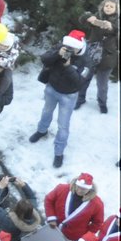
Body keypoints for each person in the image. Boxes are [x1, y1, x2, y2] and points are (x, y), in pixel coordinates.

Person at [30, 31, 89, 167]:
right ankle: (41, 130)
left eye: (72, 47)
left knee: (63, 125)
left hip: (68, 96)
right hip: (52, 88)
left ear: (79, 47)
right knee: (46, 112)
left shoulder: (86, 61)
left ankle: (59, 152)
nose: (69, 49)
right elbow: (44, 59)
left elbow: (79, 82)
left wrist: (68, 66)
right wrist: (57, 54)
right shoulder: (60, 47)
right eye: (67, 46)